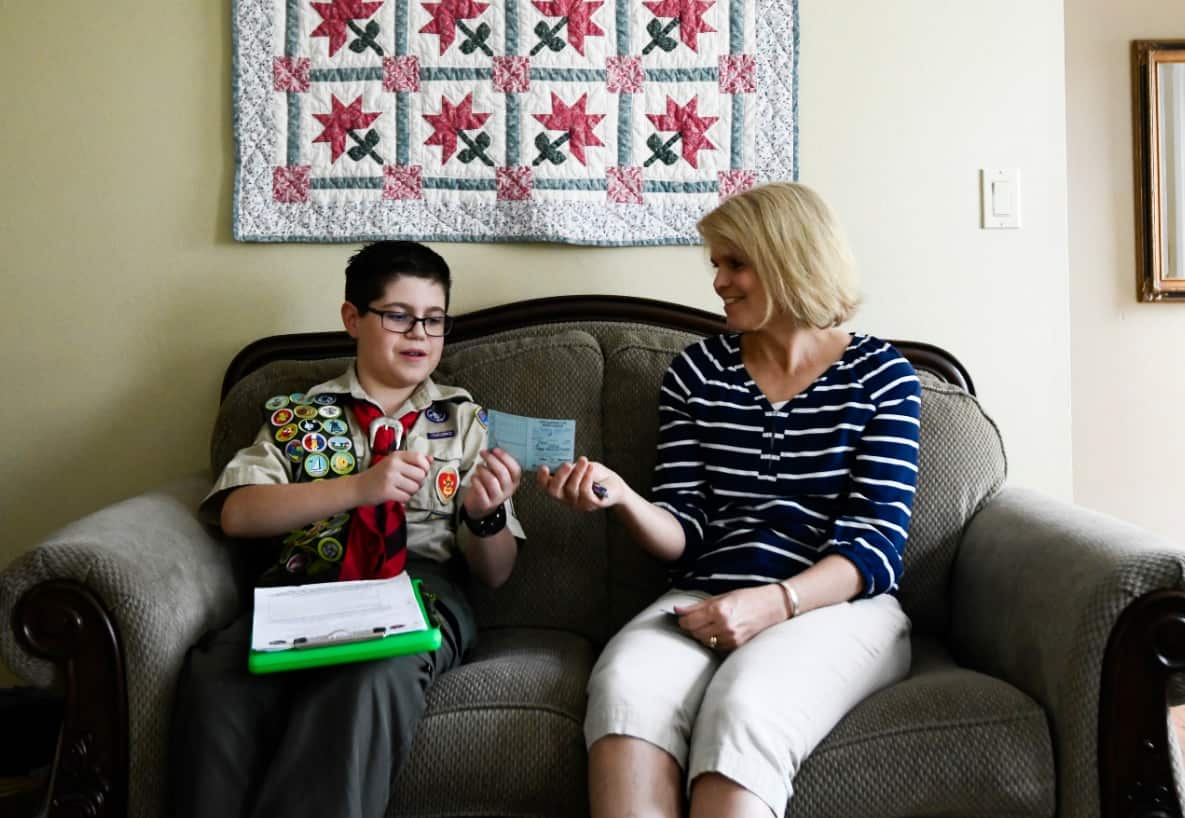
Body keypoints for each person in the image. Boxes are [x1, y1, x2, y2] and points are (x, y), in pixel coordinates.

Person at [537, 182, 921, 818]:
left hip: (837, 605)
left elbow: (875, 547)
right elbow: (684, 531)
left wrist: (774, 603)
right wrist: (625, 498)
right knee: (625, 689)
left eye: (735, 263)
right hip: (705, 595)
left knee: (744, 705)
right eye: (716, 264)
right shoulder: (696, 373)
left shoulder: (882, 377)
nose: (718, 282)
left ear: (789, 258)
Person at [171, 241, 525, 818]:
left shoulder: (463, 422)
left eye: (434, 320)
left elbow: (497, 573)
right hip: (304, 587)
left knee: (369, 671)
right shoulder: (299, 415)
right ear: (352, 318)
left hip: (419, 589)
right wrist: (359, 488)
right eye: (399, 316)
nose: (419, 334)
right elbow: (238, 514)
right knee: (220, 674)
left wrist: (486, 517)